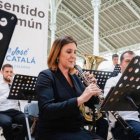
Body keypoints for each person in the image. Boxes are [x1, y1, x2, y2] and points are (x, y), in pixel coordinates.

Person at [35, 36, 104, 140]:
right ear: (57, 54)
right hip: (53, 131)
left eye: (75, 52)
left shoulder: (75, 77)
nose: (73, 56)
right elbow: (46, 110)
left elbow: (91, 104)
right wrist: (80, 99)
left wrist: (93, 92)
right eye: (69, 52)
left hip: (75, 128)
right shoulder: (46, 76)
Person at [104, 50, 140, 140]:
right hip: (123, 123)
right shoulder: (112, 81)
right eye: (128, 61)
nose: (131, 64)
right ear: (120, 66)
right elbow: (108, 108)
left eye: (134, 62)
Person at [0, 64, 27, 140]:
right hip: (2, 112)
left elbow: (23, 99)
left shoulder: (16, 84)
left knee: (28, 120)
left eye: (11, 72)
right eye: (7, 72)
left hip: (16, 111)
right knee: (6, 123)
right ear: (2, 72)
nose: (9, 74)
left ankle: (19, 138)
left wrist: (18, 88)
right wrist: (10, 92)